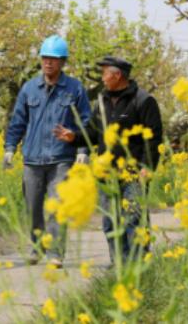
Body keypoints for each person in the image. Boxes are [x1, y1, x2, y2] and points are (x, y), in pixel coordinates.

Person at [54, 56, 163, 265]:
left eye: (104, 73)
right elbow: (93, 133)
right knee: (110, 221)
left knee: (133, 219)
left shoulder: (143, 100)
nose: (102, 78)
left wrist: (147, 167)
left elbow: (154, 138)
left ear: (117, 75)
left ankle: (138, 266)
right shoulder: (102, 102)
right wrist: (74, 137)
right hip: (106, 173)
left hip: (133, 173)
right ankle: (118, 264)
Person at [3, 35, 91, 267]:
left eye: (53, 59)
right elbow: (18, 121)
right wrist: (10, 148)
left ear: (62, 62)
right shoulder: (29, 88)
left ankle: (55, 252)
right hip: (32, 158)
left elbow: (85, 122)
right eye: (45, 58)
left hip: (61, 158)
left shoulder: (75, 89)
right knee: (32, 207)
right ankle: (36, 247)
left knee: (57, 206)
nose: (48, 63)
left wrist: (83, 149)